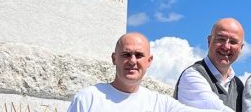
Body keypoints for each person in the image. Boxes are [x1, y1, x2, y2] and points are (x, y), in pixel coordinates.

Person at [67, 32, 219, 112]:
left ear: (149, 61)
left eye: (139, 55)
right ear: (114, 58)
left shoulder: (160, 104)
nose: (132, 61)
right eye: (126, 54)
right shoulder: (88, 98)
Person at [175, 18, 246, 111]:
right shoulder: (192, 76)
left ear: (241, 48)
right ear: (209, 41)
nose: (226, 46)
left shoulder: (239, 86)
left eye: (233, 42)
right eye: (221, 39)